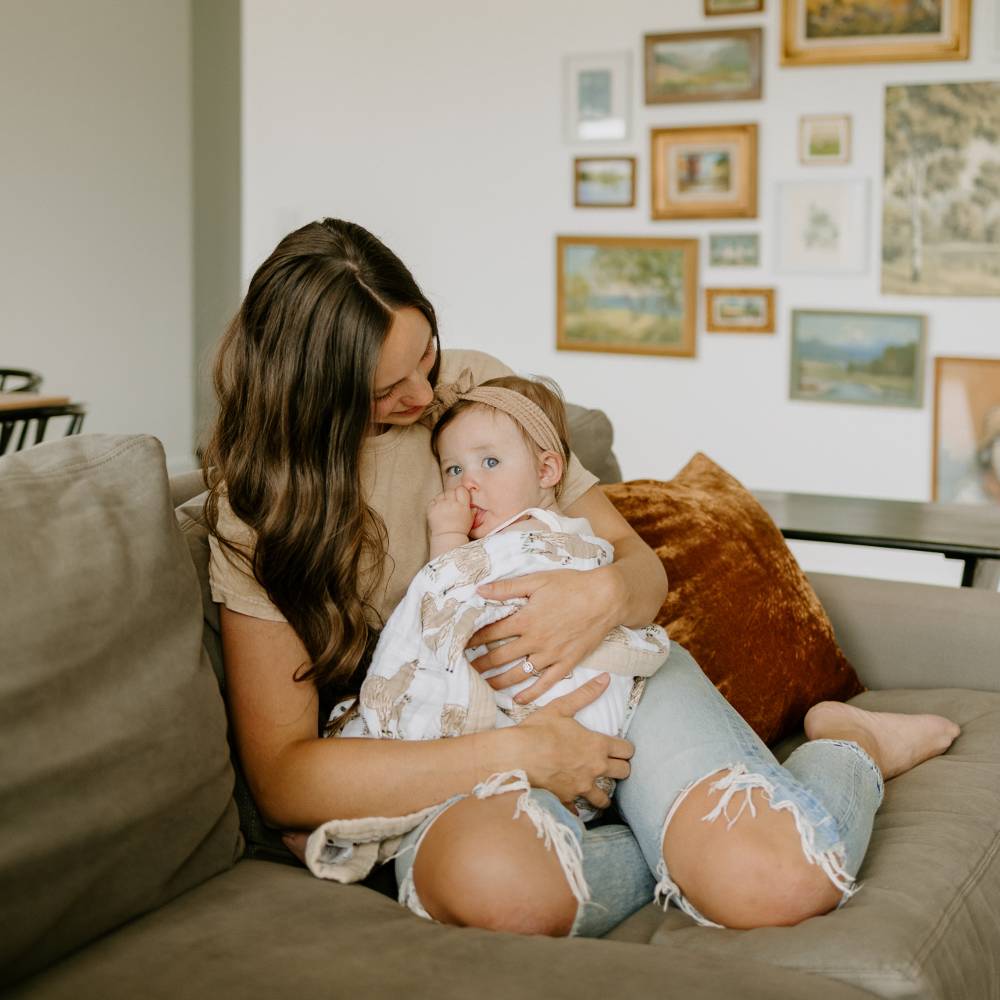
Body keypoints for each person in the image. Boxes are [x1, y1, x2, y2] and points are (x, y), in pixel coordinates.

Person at [205, 217, 961, 938]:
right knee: (493, 888)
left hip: (616, 683)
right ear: (311, 393)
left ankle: (849, 745)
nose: (423, 397)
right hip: (467, 741)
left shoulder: (477, 393)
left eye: (425, 356)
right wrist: (525, 754)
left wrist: (599, 595)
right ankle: (674, 840)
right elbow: (281, 777)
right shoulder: (259, 509)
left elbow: (640, 569)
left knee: (773, 882)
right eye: (383, 391)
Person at [322, 375, 669, 829]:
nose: (468, 485)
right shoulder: (493, 539)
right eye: (453, 470)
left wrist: (445, 536)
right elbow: (452, 612)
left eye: (490, 462)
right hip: (528, 736)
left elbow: (448, 592)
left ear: (547, 472)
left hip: (564, 707)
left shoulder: (543, 535)